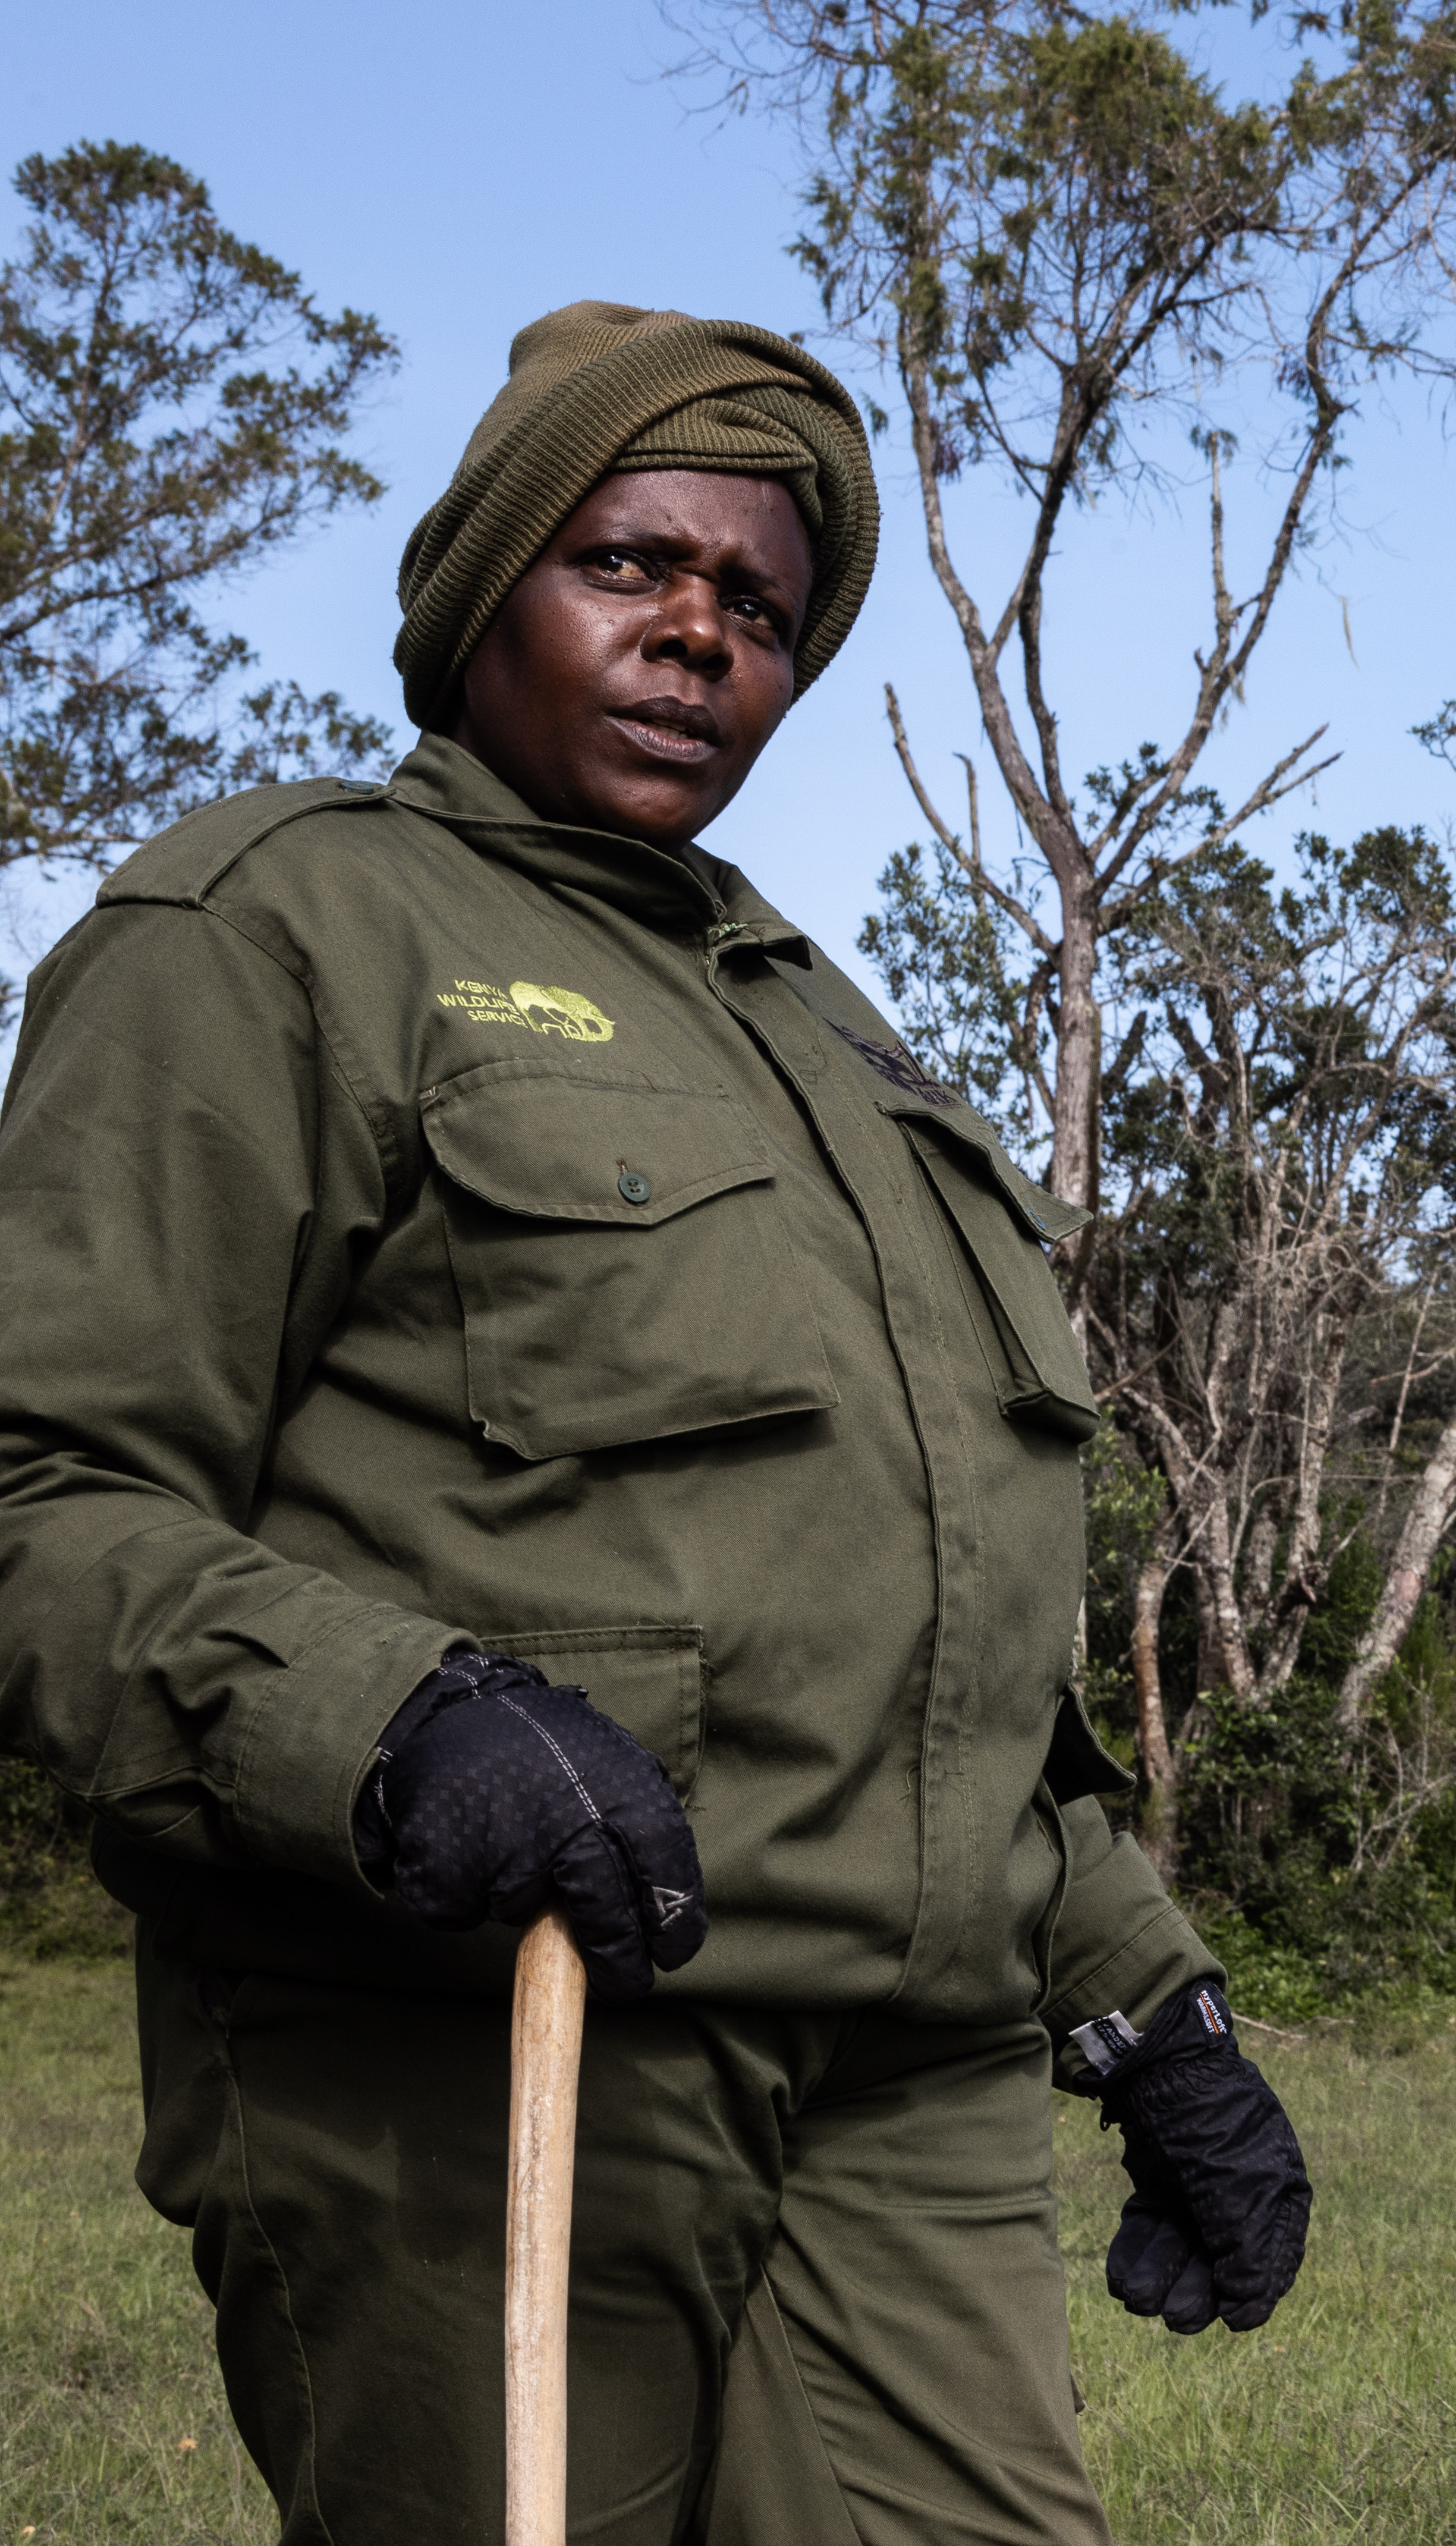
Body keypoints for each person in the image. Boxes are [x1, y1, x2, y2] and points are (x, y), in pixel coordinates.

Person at [0, 301, 1309, 2542]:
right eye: (630, 566)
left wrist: (1142, 1993)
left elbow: (921, 1621)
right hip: (483, 2057)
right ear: (488, 580)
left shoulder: (833, 1039)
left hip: (907, 2087)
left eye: (764, 611)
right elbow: (45, 1484)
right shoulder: (273, 924)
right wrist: (397, 1725)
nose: (700, 639)